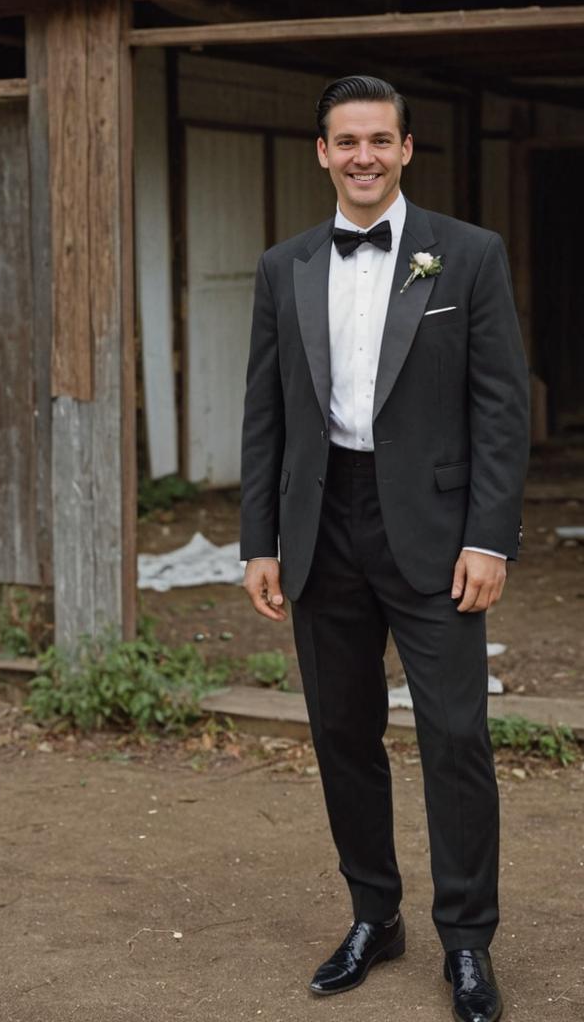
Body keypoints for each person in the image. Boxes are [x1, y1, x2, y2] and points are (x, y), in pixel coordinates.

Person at [240, 74, 529, 1022]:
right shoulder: (283, 266)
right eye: (345, 140)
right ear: (321, 152)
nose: (363, 155)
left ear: (407, 149)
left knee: (455, 738)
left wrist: (490, 536)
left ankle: (468, 942)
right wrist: (260, 542)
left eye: (380, 139)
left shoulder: (469, 256)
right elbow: (267, 416)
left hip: (438, 535)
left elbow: (501, 409)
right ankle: (375, 915)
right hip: (321, 527)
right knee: (342, 735)